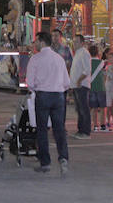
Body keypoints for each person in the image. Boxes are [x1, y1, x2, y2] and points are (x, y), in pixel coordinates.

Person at [25, 31, 70, 176]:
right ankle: (63, 158)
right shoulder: (59, 59)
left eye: (36, 40)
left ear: (42, 41)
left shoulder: (35, 59)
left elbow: (30, 83)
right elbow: (66, 83)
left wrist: (36, 89)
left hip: (43, 95)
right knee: (59, 130)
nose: (34, 43)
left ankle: (45, 163)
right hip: (58, 96)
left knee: (42, 130)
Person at [68, 34, 92, 139]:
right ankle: (80, 130)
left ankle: (85, 132)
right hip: (76, 86)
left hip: (82, 85)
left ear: (82, 43)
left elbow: (87, 70)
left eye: (76, 42)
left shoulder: (84, 53)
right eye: (73, 42)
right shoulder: (77, 53)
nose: (74, 44)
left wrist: (79, 80)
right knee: (79, 109)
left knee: (83, 109)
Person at [88, 45, 107, 131]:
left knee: (94, 108)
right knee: (103, 107)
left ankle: (95, 125)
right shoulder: (102, 62)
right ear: (98, 53)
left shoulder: (88, 62)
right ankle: (103, 125)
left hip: (91, 87)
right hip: (101, 87)